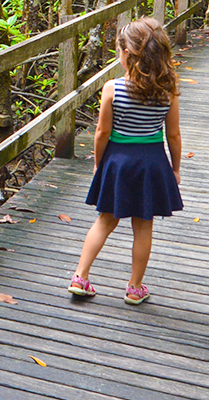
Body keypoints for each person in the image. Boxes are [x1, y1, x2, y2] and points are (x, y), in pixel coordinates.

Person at [67, 16, 183, 304]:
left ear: (127, 54)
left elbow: (102, 132)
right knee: (143, 225)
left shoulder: (112, 88)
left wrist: (98, 164)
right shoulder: (167, 90)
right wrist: (176, 168)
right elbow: (174, 135)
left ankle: (80, 276)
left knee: (105, 219)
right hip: (152, 161)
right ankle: (134, 287)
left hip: (118, 160)